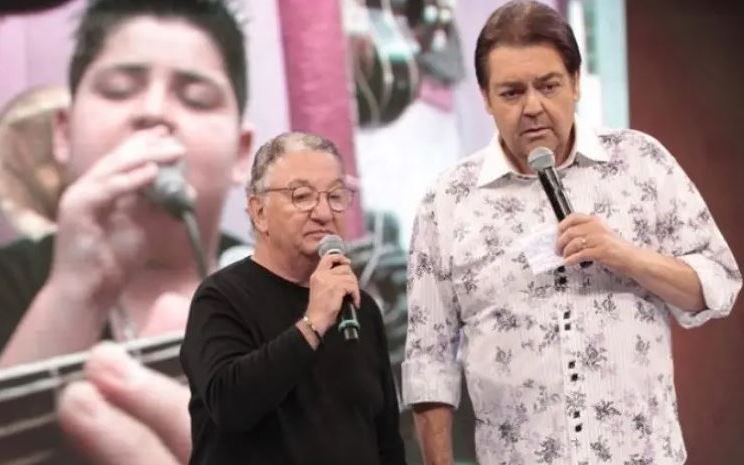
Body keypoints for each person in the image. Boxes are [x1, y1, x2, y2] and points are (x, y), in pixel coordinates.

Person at [401, 1, 742, 465]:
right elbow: (429, 361)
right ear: (485, 98)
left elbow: (717, 284)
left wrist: (626, 255)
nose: (533, 107)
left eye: (548, 85)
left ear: (576, 82)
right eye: (511, 92)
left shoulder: (640, 163)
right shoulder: (448, 202)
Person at [0, 0, 252, 463]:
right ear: (62, 133)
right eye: (119, 90)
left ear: (243, 153)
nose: (154, 112)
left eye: (196, 98)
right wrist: (75, 294)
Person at [180, 131, 407, 465]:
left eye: (335, 196)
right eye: (302, 196)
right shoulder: (220, 298)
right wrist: (313, 323)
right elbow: (230, 405)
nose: (323, 212)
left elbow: (385, 436)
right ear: (258, 212)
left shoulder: (359, 307)